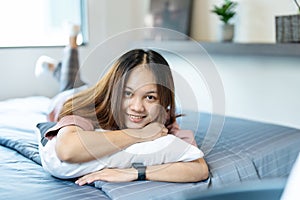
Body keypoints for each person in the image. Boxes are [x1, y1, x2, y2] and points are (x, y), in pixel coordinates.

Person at [36, 27, 209, 185]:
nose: (137, 107)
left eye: (149, 97)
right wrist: (139, 134)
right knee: (69, 85)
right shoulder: (88, 109)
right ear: (114, 91)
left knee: (74, 80)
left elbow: (199, 169)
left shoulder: (160, 116)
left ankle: (54, 68)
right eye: (128, 93)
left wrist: (137, 172)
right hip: (70, 97)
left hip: (95, 91)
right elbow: (67, 150)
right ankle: (69, 47)